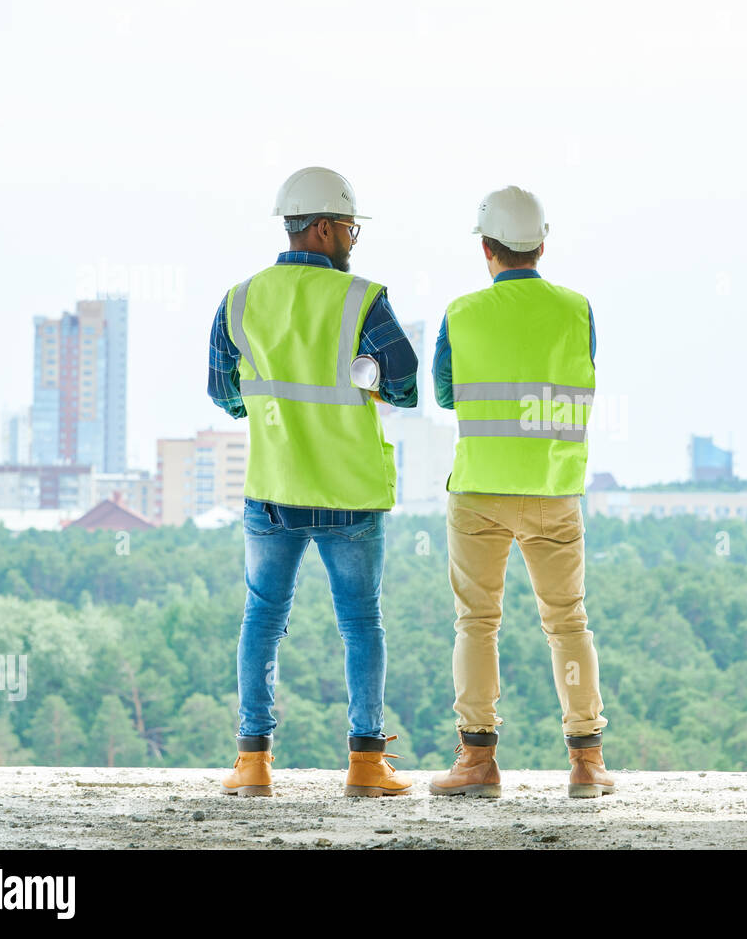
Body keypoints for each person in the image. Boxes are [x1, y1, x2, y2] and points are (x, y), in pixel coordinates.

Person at [208, 166, 418, 797]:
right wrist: (367, 382)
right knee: (360, 622)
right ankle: (365, 764)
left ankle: (252, 764)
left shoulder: (241, 299)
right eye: (350, 226)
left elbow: (224, 392)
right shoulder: (360, 298)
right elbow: (406, 384)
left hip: (272, 488)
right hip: (348, 493)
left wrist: (271, 415)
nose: (354, 237)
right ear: (325, 227)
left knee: (263, 619)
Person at [428, 185, 613, 798]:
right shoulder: (578, 310)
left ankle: (477, 760)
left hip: (479, 487)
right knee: (567, 622)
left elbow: (448, 394)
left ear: (487, 248)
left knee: (477, 623)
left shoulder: (461, 313)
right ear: (542, 243)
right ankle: (587, 761)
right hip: (555, 489)